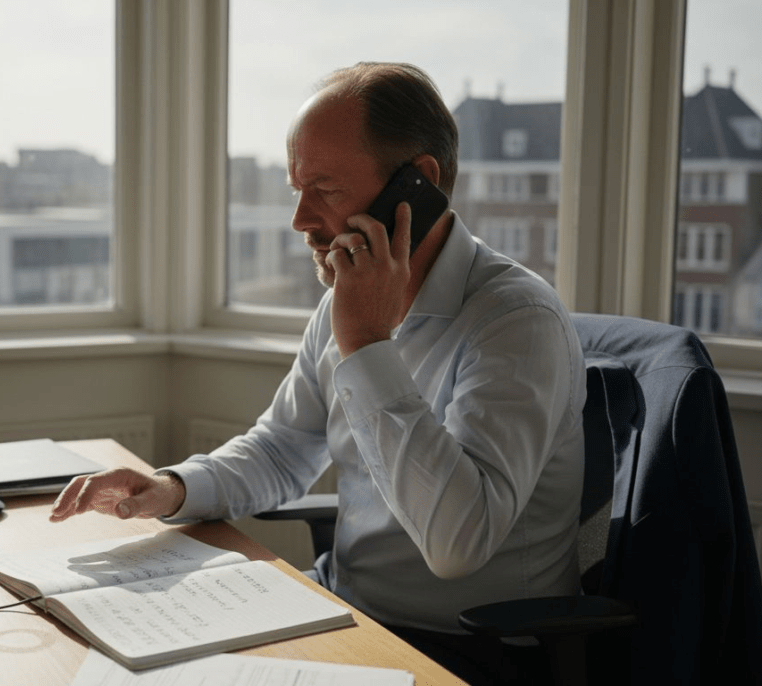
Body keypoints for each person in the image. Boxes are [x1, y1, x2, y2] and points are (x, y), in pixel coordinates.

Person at [50, 62, 585, 685]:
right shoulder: (345, 302)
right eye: (296, 189)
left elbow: (457, 546)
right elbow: (283, 450)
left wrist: (365, 346)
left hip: (470, 649)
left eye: (325, 190)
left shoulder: (516, 322)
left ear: (418, 183)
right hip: (344, 613)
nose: (301, 220)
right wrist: (172, 488)